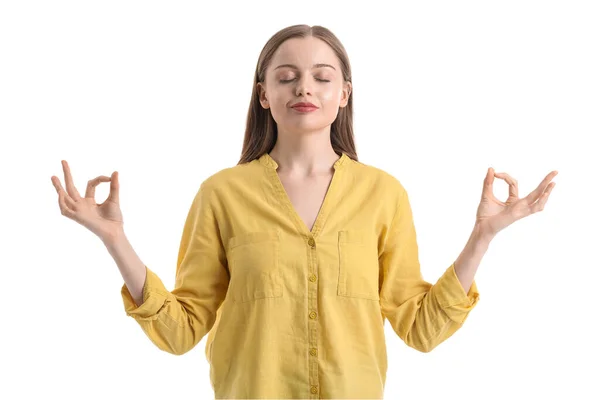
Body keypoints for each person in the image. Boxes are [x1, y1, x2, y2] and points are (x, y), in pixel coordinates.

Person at [50, 24, 558, 399]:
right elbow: (179, 330)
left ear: (344, 94)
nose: (304, 88)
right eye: (287, 77)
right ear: (264, 95)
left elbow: (421, 329)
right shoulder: (222, 194)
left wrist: (483, 238)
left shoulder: (384, 194)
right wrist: (114, 239)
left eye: (321, 76)